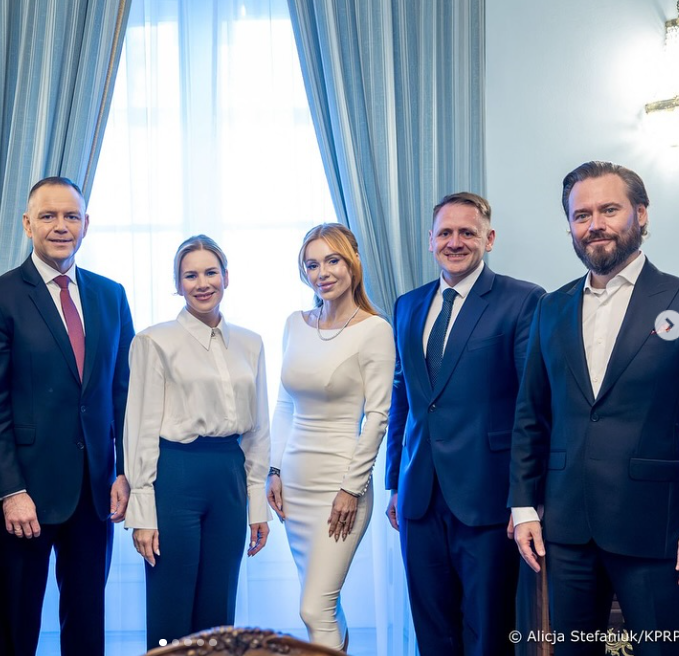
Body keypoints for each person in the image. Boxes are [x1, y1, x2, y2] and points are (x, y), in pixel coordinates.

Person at [511, 161, 679, 656]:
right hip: (567, 528)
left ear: (641, 214)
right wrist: (523, 505)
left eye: (609, 210)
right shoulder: (551, 307)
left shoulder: (676, 297)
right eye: (581, 215)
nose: (595, 225)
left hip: (653, 526)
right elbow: (531, 413)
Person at [0, 176, 134, 656]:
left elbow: (123, 393)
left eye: (71, 216)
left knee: (87, 627)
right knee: (18, 631)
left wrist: (125, 471)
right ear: (27, 224)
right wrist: (9, 491)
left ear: (86, 224)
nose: (61, 226)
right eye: (48, 216)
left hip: (95, 493)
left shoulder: (111, 295)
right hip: (26, 495)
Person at [385, 192, 545, 656]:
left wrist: (525, 498)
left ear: (488, 239)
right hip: (418, 499)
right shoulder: (407, 305)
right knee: (432, 632)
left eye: (467, 232)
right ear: (430, 240)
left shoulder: (523, 300)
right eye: (445, 233)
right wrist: (395, 482)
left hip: (487, 500)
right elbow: (403, 398)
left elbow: (531, 405)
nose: (455, 242)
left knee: (487, 634)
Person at [124, 235, 270, 650]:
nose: (203, 283)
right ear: (178, 283)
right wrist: (143, 511)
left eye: (211, 273)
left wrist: (256, 502)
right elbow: (140, 427)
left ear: (226, 277)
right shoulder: (154, 341)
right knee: (170, 605)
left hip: (229, 475)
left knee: (219, 609)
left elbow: (259, 428)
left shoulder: (251, 343)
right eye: (190, 275)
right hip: (175, 475)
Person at [266, 223, 394, 650]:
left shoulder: (375, 330)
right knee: (323, 604)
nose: (322, 273)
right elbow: (285, 404)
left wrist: (351, 488)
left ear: (352, 262)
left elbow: (377, 417)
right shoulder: (295, 324)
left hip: (341, 486)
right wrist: (273, 470)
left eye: (332, 260)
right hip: (294, 485)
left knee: (313, 609)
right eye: (312, 264)